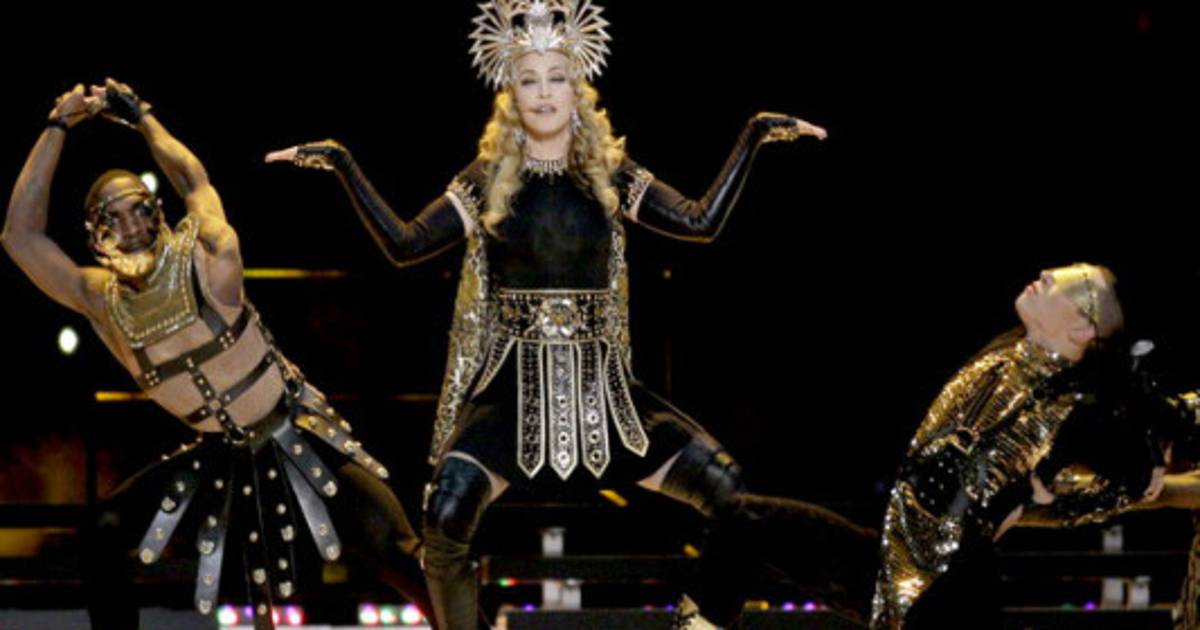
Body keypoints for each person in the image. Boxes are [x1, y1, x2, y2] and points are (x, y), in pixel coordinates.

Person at [266, 2, 876, 628]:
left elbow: (699, 221)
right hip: (510, 396)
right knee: (445, 515)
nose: (543, 92)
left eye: (556, 77)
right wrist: (342, 162)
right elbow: (405, 244)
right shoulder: (487, 178)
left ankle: (701, 621)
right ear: (511, 94)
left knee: (730, 491)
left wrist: (752, 136)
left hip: (608, 400)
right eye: (529, 79)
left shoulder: (609, 173)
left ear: (576, 89)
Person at [2, 80, 432, 630]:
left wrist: (143, 118)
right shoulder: (101, 301)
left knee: (394, 551)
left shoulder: (206, 258)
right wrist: (58, 125)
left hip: (294, 431)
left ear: (156, 214)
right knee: (104, 531)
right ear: (96, 236)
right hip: (219, 455)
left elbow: (193, 181)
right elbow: (20, 236)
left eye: (138, 212)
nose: (131, 229)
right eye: (114, 220)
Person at [872, 263, 1171, 629]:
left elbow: (1135, 478)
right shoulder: (1007, 354)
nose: (1048, 274)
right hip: (897, 554)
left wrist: (1046, 501)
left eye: (1075, 286)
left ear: (1081, 330)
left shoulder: (1073, 407)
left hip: (946, 588)